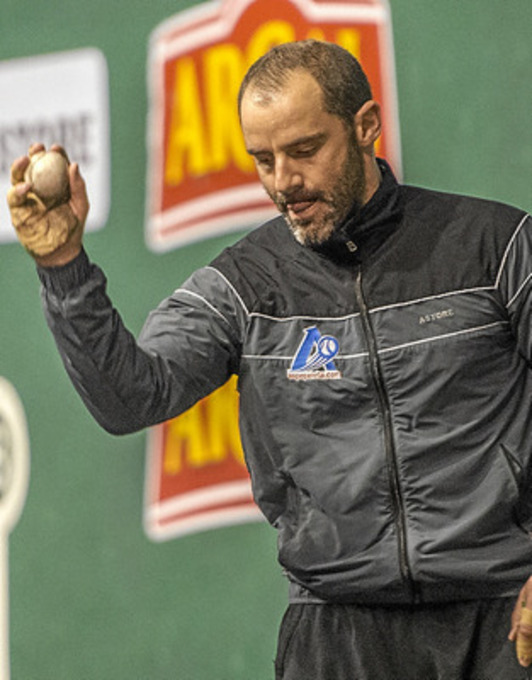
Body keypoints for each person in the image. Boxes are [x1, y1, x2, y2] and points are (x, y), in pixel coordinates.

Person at [7, 39, 532, 679]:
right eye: (263, 159)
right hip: (334, 635)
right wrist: (63, 266)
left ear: (366, 126)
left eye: (305, 150)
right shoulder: (243, 286)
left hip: (503, 619)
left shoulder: (494, 248)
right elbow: (131, 397)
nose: (284, 181)